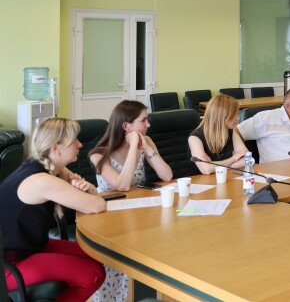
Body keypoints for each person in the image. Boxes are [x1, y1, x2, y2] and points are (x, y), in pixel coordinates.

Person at [0, 117, 106, 302]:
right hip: (9, 265)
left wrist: (86, 187)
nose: (80, 144)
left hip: (30, 247)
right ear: (56, 148)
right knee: (93, 274)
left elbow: (76, 183)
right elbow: (98, 205)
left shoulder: (45, 166)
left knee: (97, 254)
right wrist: (91, 192)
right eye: (74, 140)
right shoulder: (42, 181)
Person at [89, 100, 173, 302]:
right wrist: (134, 146)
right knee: (118, 260)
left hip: (136, 211)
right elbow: (122, 185)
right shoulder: (99, 154)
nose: (148, 125)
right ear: (126, 126)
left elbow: (167, 175)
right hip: (108, 216)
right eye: (143, 121)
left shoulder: (146, 141)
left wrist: (148, 149)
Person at [238, 88, 290, 162]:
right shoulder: (266, 118)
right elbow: (236, 131)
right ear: (288, 106)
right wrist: (243, 153)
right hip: (276, 170)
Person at [188, 94, 247, 175]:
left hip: (224, 177)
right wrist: (233, 159)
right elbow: (206, 169)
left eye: (238, 113)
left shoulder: (231, 131)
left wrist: (214, 165)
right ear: (222, 116)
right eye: (234, 114)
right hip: (201, 180)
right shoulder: (195, 137)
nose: (238, 118)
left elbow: (247, 159)